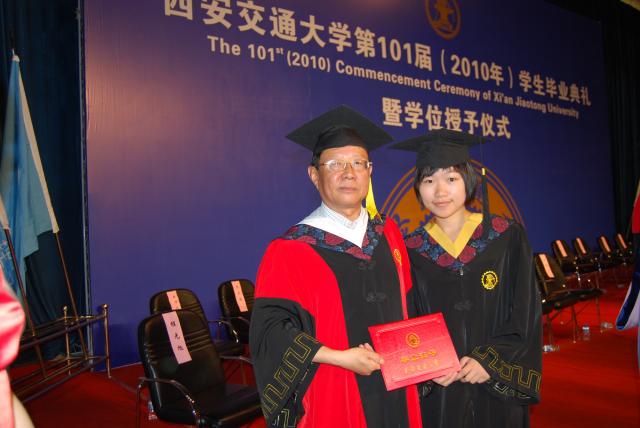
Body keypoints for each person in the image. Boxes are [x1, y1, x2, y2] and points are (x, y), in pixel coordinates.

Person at [249, 105, 421, 428]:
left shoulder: (389, 233)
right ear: (314, 175)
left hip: (398, 385)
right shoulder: (290, 249)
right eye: (335, 164)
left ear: (370, 171)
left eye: (358, 163)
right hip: (335, 387)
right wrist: (340, 357)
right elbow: (270, 334)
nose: (349, 173)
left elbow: (410, 306)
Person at [392, 129, 542, 427]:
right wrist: (427, 367)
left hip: (494, 381)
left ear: (469, 181)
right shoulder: (410, 250)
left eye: (451, 179)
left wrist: (491, 361)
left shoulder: (505, 237)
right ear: (418, 188)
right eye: (428, 180)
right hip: (441, 386)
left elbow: (525, 311)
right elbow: (405, 318)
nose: (440, 191)